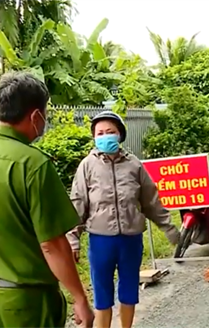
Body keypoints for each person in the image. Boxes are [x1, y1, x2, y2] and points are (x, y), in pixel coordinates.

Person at [0, 72, 94, 328]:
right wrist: (79, 297)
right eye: (45, 113)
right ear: (35, 116)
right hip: (28, 302)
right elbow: (51, 244)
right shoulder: (34, 164)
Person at [67, 111, 180, 328]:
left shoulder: (134, 165)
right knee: (102, 294)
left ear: (120, 135)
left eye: (110, 132)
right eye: (100, 133)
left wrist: (169, 228)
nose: (105, 136)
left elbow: (151, 201)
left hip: (130, 240)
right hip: (101, 241)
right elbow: (78, 203)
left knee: (128, 291)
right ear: (94, 137)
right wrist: (73, 239)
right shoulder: (87, 166)